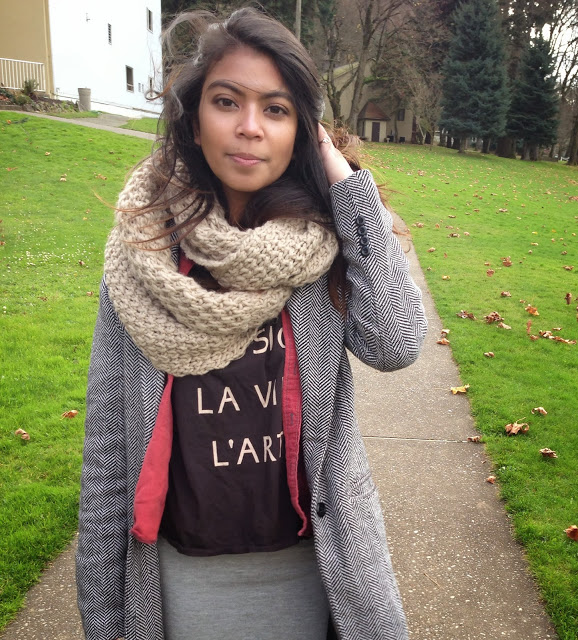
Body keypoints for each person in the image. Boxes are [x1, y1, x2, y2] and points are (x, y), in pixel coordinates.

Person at [75, 7, 427, 640]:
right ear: (194, 120)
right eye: (226, 101)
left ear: (301, 132)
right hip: (179, 579)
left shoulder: (320, 249)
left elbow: (396, 342)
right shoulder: (142, 255)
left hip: (312, 570)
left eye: (276, 109)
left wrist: (346, 186)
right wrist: (103, 616)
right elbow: (107, 454)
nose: (249, 127)